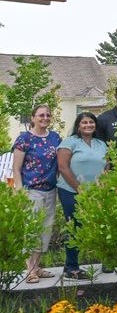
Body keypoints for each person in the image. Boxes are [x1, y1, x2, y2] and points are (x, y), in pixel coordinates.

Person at [12, 105, 61, 284]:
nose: (45, 118)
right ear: (33, 118)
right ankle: (30, 269)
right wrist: (19, 189)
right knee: (32, 229)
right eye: (41, 115)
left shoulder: (55, 137)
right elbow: (16, 168)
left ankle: (37, 266)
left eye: (48, 115)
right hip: (31, 190)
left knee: (46, 229)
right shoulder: (24, 139)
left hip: (50, 189)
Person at [56, 112, 108, 280]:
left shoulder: (101, 144)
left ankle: (108, 260)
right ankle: (71, 267)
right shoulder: (69, 142)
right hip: (71, 191)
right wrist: (79, 189)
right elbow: (63, 167)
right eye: (84, 122)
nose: (88, 125)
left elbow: (107, 166)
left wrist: (102, 186)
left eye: (91, 122)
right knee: (75, 227)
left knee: (100, 225)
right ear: (78, 126)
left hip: (95, 192)